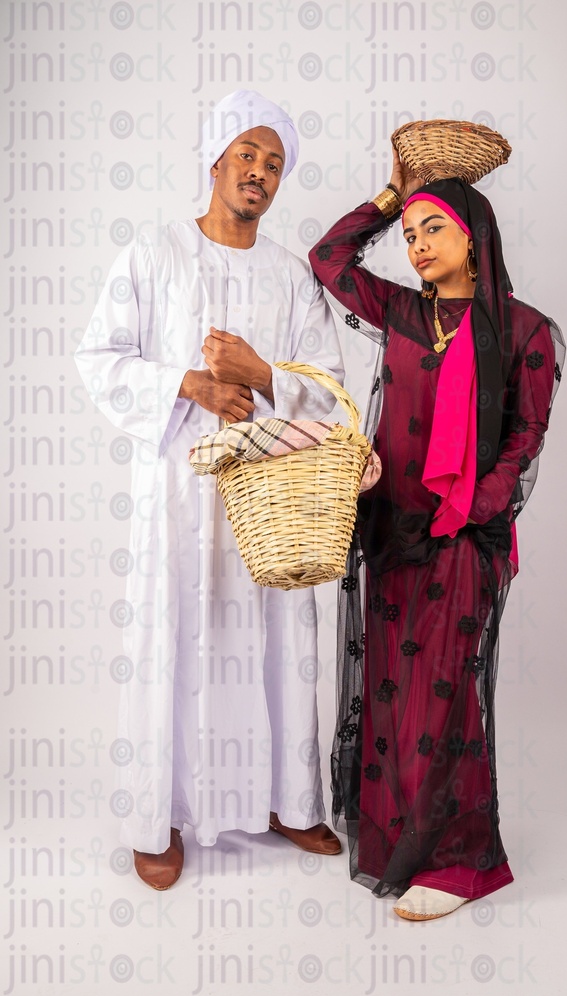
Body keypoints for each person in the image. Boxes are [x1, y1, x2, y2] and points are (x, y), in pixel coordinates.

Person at [75, 90, 344, 890]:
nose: (259, 172)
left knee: (277, 644)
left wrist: (258, 376)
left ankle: (287, 800)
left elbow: (327, 389)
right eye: (248, 155)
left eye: (274, 163)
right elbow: (100, 358)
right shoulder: (154, 255)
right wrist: (192, 383)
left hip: (268, 502)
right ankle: (161, 815)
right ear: (216, 158)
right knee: (178, 642)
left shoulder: (292, 279)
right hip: (179, 503)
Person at [309, 147, 564, 920]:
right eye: (410, 233)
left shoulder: (526, 332)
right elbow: (328, 258)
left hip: (464, 538)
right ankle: (399, 845)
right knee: (392, 699)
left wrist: (471, 512)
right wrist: (393, 194)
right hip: (390, 532)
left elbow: (524, 439)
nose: (416, 245)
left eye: (431, 229)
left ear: (473, 237)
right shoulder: (406, 313)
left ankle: (459, 863)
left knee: (445, 702)